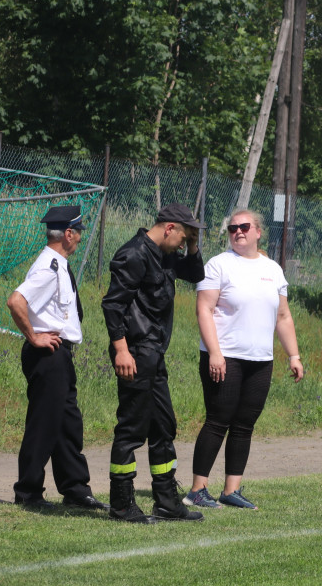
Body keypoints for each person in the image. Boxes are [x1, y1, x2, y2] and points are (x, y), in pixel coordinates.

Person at [183, 210, 304, 510]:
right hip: (225, 357)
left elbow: (284, 316)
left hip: (260, 360)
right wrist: (214, 352)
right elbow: (204, 310)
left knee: (244, 424)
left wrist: (294, 355)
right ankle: (198, 490)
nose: (238, 232)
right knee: (217, 420)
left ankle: (231, 490)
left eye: (244, 227)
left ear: (258, 232)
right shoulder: (219, 265)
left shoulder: (273, 269)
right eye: (233, 228)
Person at [101, 204, 206, 523]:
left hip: (154, 352)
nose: (183, 242)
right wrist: (121, 350)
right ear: (169, 227)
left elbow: (196, 274)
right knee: (132, 428)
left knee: (163, 426)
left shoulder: (167, 253)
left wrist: (193, 243)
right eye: (183, 235)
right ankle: (121, 503)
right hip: (134, 351)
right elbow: (112, 305)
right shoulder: (133, 254)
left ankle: (166, 502)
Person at [5, 206, 108, 512]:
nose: (78, 240)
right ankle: (28, 492)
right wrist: (33, 336)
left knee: (67, 424)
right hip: (46, 353)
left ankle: (75, 487)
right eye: (78, 233)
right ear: (68, 234)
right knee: (44, 423)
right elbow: (16, 301)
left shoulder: (58, 264)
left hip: (59, 355)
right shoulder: (48, 267)